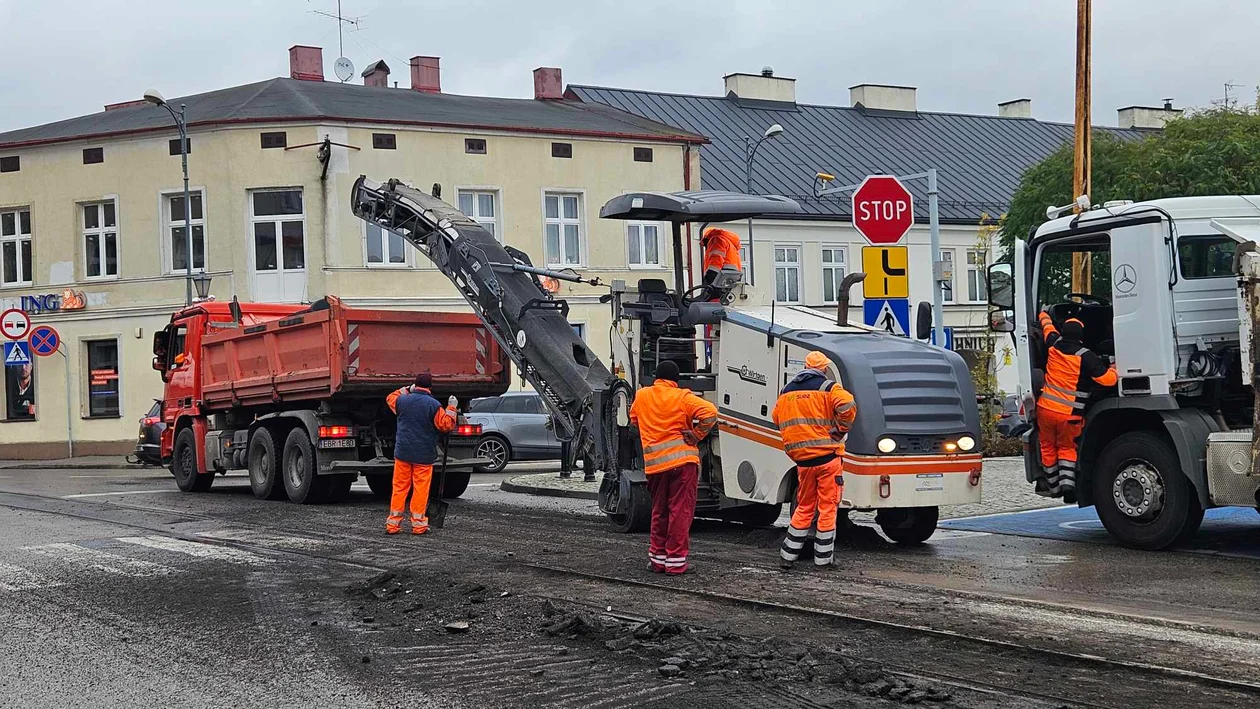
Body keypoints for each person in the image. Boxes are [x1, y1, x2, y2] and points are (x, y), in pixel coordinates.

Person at [629, 359, 718, 575]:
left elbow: (634, 421)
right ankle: (676, 562)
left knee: (659, 510)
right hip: (682, 464)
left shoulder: (642, 396)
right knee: (680, 511)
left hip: (655, 467)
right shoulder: (683, 397)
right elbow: (711, 413)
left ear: (656, 378)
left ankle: (658, 560)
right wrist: (696, 435)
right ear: (675, 380)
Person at [773, 351, 856, 570]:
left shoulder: (786, 391)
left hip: (803, 461)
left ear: (805, 367)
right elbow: (848, 406)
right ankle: (823, 559)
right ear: (825, 368)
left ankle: (787, 556)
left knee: (804, 506)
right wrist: (840, 430)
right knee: (828, 507)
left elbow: (776, 418)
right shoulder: (829, 388)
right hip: (828, 458)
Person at [1036, 311, 1117, 496]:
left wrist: (1043, 313)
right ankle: (1068, 485)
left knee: (1047, 446)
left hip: (1045, 410)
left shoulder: (1054, 344)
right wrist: (1114, 367)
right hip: (1069, 414)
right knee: (1066, 447)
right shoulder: (1086, 356)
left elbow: (1047, 327)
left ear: (1063, 332)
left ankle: (1054, 487)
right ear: (1081, 336)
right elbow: (1107, 380)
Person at [385, 372, 457, 535]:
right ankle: (418, 525)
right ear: (430, 387)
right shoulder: (434, 405)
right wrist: (452, 407)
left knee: (399, 488)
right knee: (420, 489)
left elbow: (390, 397)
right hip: (423, 456)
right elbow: (445, 425)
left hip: (402, 453)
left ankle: (393, 525)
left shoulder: (402, 401)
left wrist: (406, 389)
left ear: (415, 385)